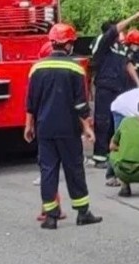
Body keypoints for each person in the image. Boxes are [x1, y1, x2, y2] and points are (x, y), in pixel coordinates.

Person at [26, 23, 103, 229]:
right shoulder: (75, 68)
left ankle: (51, 216)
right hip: (68, 128)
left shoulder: (37, 68)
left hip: (45, 128)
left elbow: (31, 102)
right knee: (74, 169)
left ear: (52, 43)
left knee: (48, 170)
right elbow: (80, 104)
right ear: (69, 44)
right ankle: (83, 212)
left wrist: (29, 126)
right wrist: (87, 127)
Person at [90, 11, 139, 173]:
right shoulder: (103, 43)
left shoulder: (120, 48)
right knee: (103, 121)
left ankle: (114, 151)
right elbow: (114, 30)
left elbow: (128, 64)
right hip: (105, 87)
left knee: (118, 121)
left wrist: (138, 84)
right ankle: (100, 156)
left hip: (120, 89)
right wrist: (135, 16)